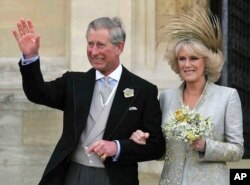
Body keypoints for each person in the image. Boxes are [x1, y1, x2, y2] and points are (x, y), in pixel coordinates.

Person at [12, 17, 165, 185]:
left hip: (116, 178)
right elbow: (37, 93)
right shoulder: (73, 83)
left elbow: (156, 147)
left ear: (119, 47)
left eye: (100, 45)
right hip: (73, 175)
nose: (93, 52)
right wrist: (30, 57)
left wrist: (118, 147)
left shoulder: (144, 90)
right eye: (90, 44)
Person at [130, 9, 244, 185]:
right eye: (182, 59)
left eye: (194, 58)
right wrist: (145, 142)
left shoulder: (227, 97)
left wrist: (206, 146)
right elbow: (161, 151)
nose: (187, 64)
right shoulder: (166, 98)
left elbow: (237, 150)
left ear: (206, 61)